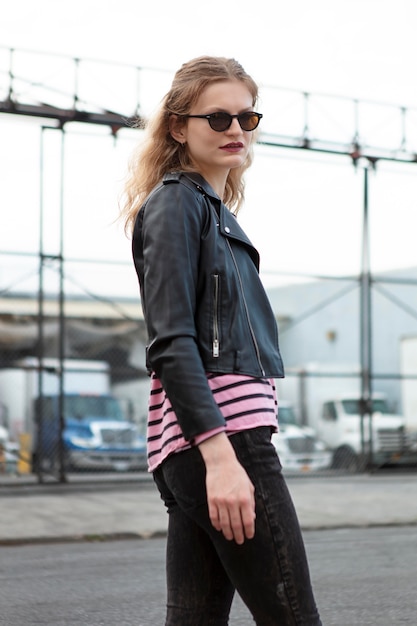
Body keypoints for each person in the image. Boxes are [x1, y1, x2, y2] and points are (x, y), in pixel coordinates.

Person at [121, 56, 322, 626]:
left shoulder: (210, 212)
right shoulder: (177, 203)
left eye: (246, 118)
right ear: (179, 127)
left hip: (208, 445)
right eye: (218, 118)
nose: (235, 130)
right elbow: (171, 341)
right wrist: (221, 456)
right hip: (224, 442)